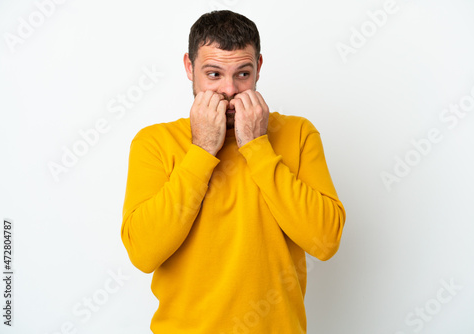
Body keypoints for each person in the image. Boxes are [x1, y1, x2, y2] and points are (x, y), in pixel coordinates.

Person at [121, 10, 346, 334]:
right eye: (213, 74)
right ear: (189, 67)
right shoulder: (155, 142)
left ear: (259, 68)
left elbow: (325, 242)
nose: (229, 89)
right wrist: (201, 151)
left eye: (243, 73)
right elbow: (143, 253)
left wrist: (256, 146)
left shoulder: (298, 134)